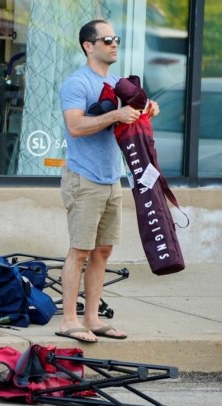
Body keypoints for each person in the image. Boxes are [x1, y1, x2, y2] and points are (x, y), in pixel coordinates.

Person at [57, 20, 159, 343]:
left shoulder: (118, 83)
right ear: (89, 46)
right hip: (83, 178)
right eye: (107, 39)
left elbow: (135, 113)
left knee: (102, 251)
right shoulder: (76, 84)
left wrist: (147, 110)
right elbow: (75, 126)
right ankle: (69, 319)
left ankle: (92, 318)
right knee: (80, 250)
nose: (114, 44)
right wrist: (116, 115)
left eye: (117, 39)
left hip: (112, 179)